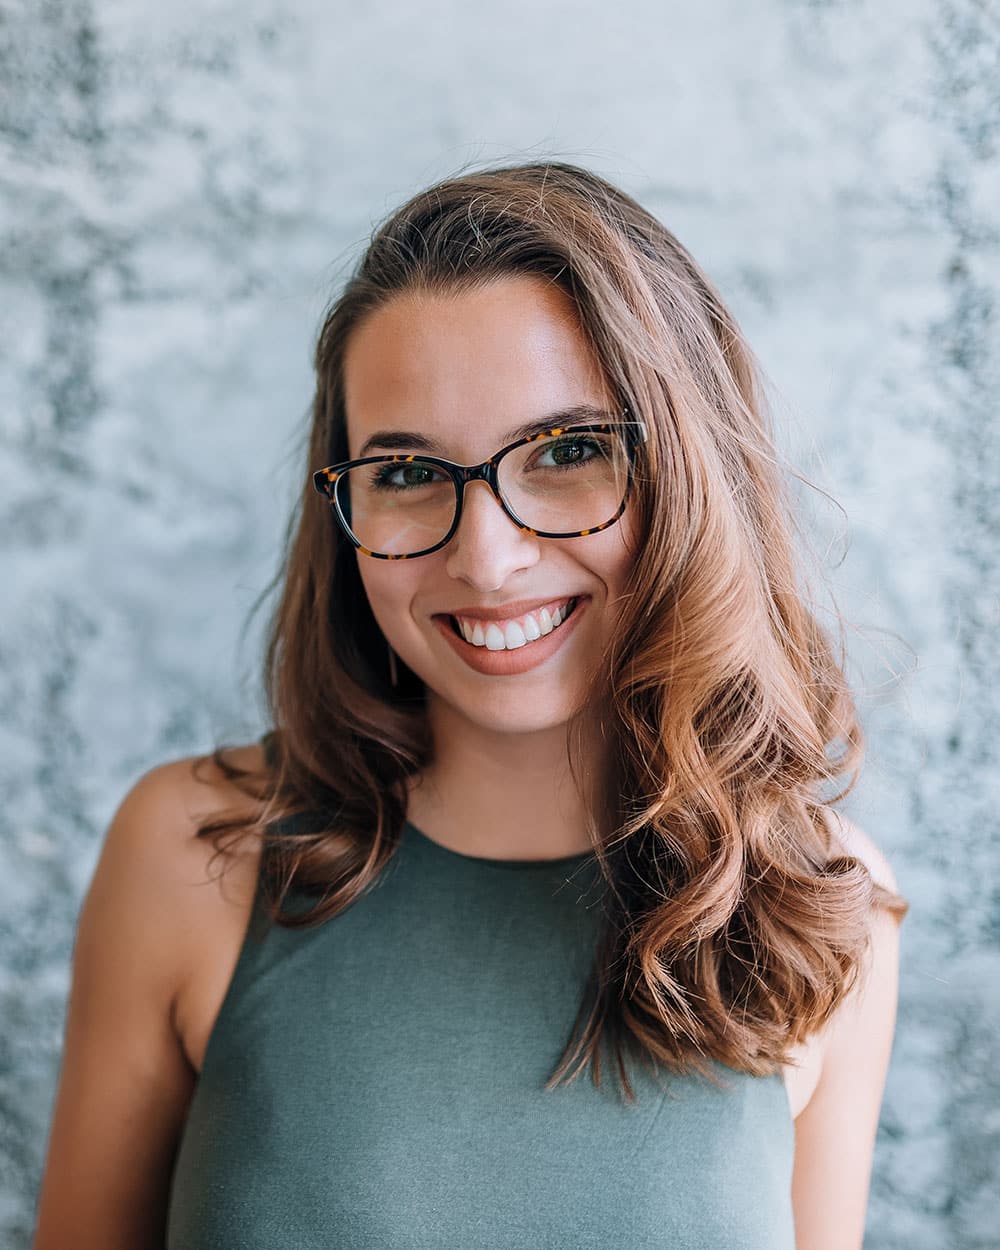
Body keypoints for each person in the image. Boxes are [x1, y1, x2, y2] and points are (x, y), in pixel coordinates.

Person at [33, 160, 907, 1250]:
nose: (487, 561)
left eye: (570, 452)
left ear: (691, 474)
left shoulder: (822, 906)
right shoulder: (189, 851)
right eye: (406, 472)